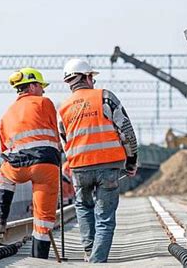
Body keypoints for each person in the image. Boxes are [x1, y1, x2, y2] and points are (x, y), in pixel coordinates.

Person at [58, 58, 138, 263]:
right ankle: (97, 261)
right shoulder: (105, 97)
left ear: (69, 82)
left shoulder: (63, 108)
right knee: (105, 217)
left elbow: (65, 141)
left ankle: (88, 251)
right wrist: (131, 160)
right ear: (87, 77)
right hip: (107, 167)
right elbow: (126, 131)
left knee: (83, 208)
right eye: (91, 77)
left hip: (79, 168)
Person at [0, 68, 61, 259]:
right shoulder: (45, 103)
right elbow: (56, 135)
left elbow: (3, 149)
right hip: (45, 166)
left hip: (16, 166)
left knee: (2, 177)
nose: (43, 91)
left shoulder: (6, 114)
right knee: (43, 220)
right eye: (41, 86)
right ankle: (39, 260)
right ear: (32, 86)